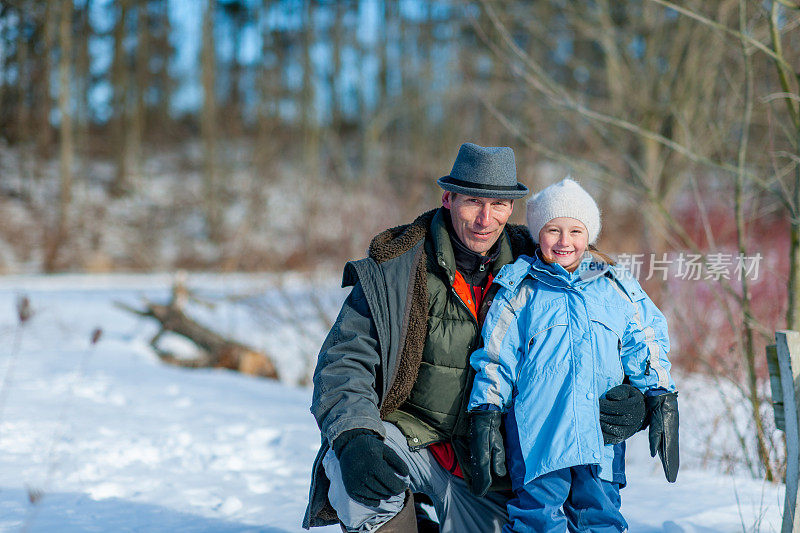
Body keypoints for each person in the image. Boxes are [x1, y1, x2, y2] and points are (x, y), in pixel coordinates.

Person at [302, 144, 648, 533]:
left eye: (499, 204)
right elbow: (344, 362)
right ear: (448, 199)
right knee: (353, 469)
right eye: (472, 202)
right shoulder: (397, 270)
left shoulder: (542, 268)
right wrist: (354, 438)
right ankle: (401, 517)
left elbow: (603, 334)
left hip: (486, 468)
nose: (486, 218)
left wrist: (636, 397)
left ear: (512, 209)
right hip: (409, 440)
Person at [468, 177, 680, 532]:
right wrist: (486, 413)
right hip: (539, 436)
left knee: (601, 518)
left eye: (576, 231)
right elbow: (495, 359)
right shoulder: (519, 290)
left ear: (589, 234)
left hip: (601, 434)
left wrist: (660, 396)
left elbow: (646, 339)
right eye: (553, 230)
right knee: (537, 520)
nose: (565, 241)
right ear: (539, 234)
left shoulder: (615, 285)